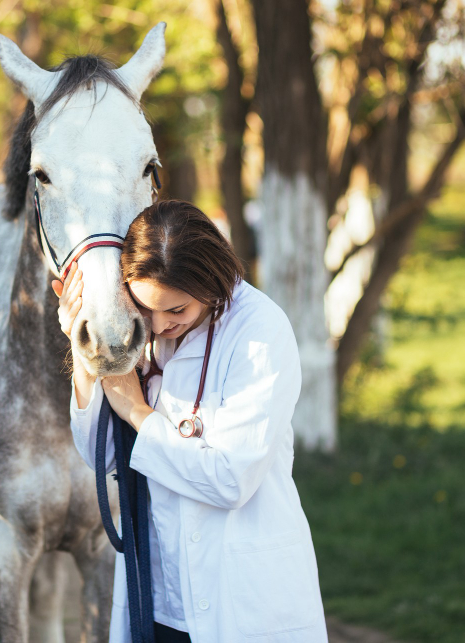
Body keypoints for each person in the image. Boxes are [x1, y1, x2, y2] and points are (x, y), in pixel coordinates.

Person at [53, 200, 328, 643]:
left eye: (176, 311)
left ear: (212, 281)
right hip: (159, 590)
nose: (160, 327)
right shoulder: (136, 330)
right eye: (146, 308)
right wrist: (86, 353)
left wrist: (137, 412)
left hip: (238, 594)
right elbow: (102, 457)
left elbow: (229, 479)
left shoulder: (259, 332)